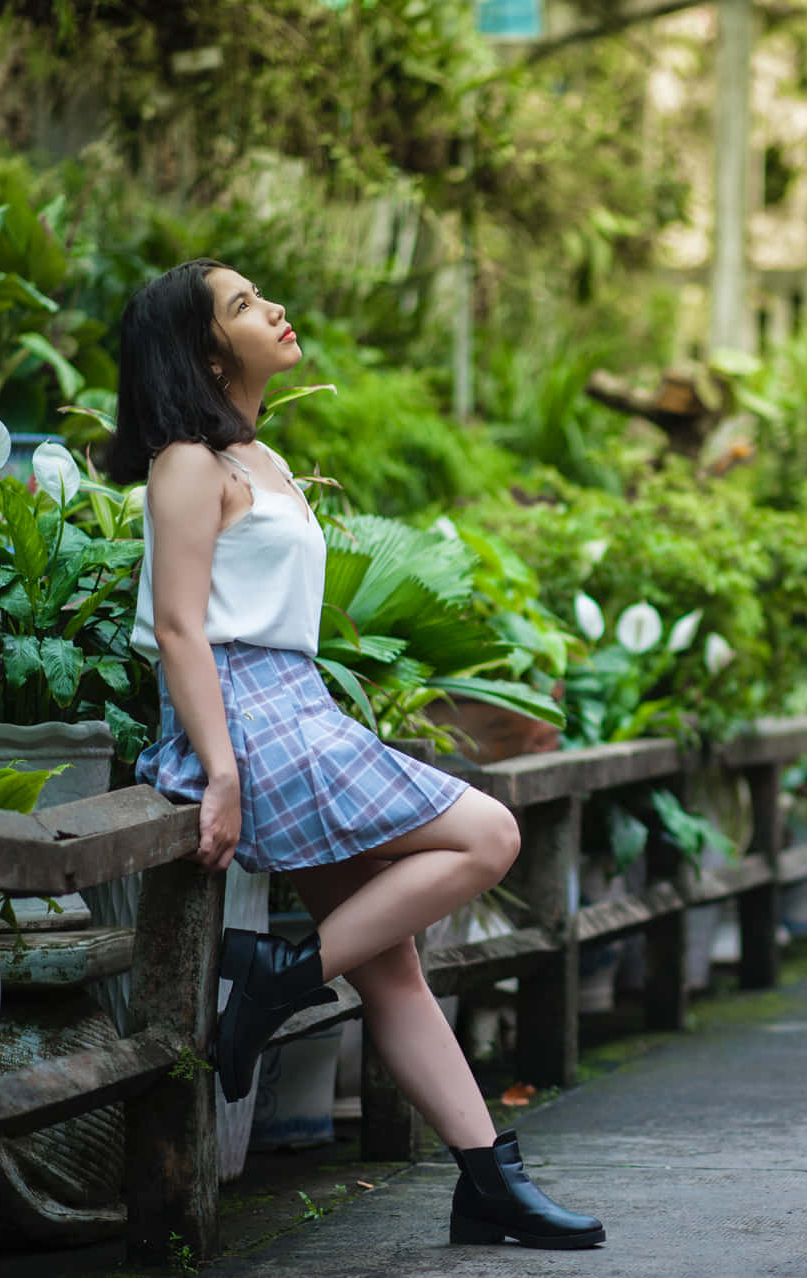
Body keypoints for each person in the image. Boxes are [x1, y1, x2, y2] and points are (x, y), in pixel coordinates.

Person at [106, 259, 604, 1251]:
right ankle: (282, 975)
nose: (275, 309)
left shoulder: (261, 458)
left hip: (296, 703)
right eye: (244, 306)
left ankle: (487, 1180)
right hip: (246, 712)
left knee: (393, 972)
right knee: (488, 833)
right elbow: (177, 628)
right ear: (208, 350)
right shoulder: (188, 463)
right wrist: (223, 768)